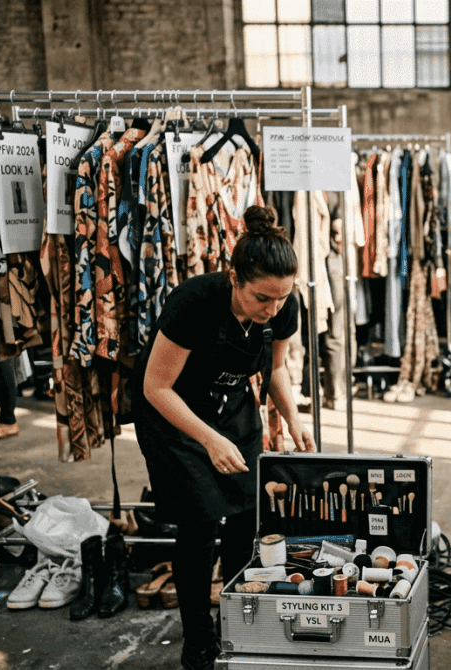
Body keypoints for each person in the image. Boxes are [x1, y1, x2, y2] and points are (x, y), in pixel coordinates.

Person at [133, 205, 316, 670]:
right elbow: (156, 387)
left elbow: (275, 369)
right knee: (199, 521)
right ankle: (197, 641)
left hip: (234, 411)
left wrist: (293, 419)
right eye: (261, 299)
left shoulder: (283, 305)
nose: (272, 308)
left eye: (281, 298)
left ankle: (236, 622)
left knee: (245, 516)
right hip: (175, 416)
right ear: (234, 278)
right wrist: (208, 440)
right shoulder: (194, 302)